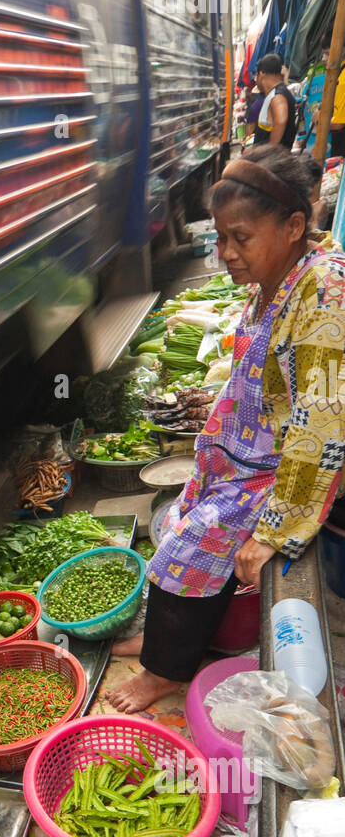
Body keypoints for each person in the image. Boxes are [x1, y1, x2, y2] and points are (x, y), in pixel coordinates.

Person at [108, 147, 345, 713]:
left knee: (189, 548)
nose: (226, 254)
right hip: (246, 454)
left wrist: (274, 531)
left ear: (293, 227)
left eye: (240, 238)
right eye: (220, 238)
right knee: (174, 523)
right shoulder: (281, 277)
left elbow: (322, 425)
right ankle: (170, 643)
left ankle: (164, 670)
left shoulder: (326, 298)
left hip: (285, 469)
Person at [252, 53, 297, 149]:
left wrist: (270, 152)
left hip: (273, 160)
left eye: (256, 76)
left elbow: (281, 121)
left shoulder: (277, 96)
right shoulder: (276, 93)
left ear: (261, 73)